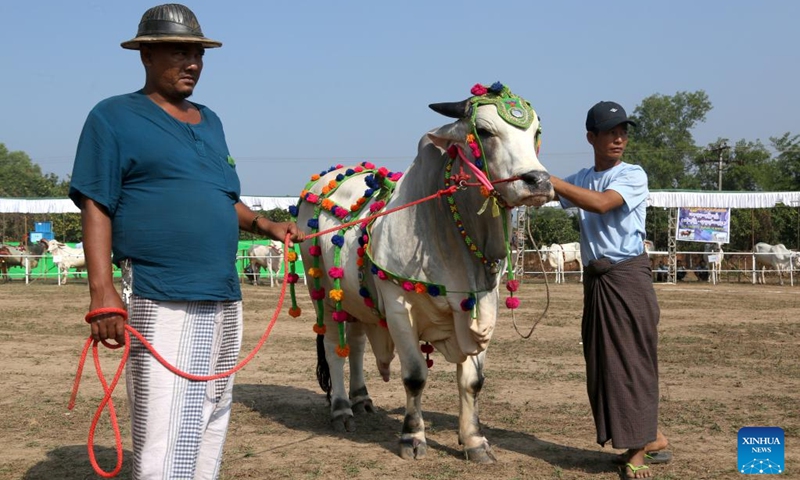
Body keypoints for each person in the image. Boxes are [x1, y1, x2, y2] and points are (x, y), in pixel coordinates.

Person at [68, 4, 304, 479]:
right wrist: (103, 294)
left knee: (210, 416)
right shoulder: (113, 116)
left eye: (198, 52)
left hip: (223, 294)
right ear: (147, 56)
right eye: (180, 51)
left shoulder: (210, 120)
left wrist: (265, 225)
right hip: (162, 292)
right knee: (165, 426)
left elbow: (220, 196)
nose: (192, 62)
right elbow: (97, 203)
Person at [549, 101, 669, 478]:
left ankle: (637, 451)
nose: (619, 138)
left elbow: (601, 204)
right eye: (610, 131)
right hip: (597, 280)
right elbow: (546, 194)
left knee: (631, 362)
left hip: (627, 276)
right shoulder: (583, 176)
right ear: (591, 137)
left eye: (623, 131)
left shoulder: (632, 175)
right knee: (604, 364)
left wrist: (548, 179)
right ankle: (648, 437)